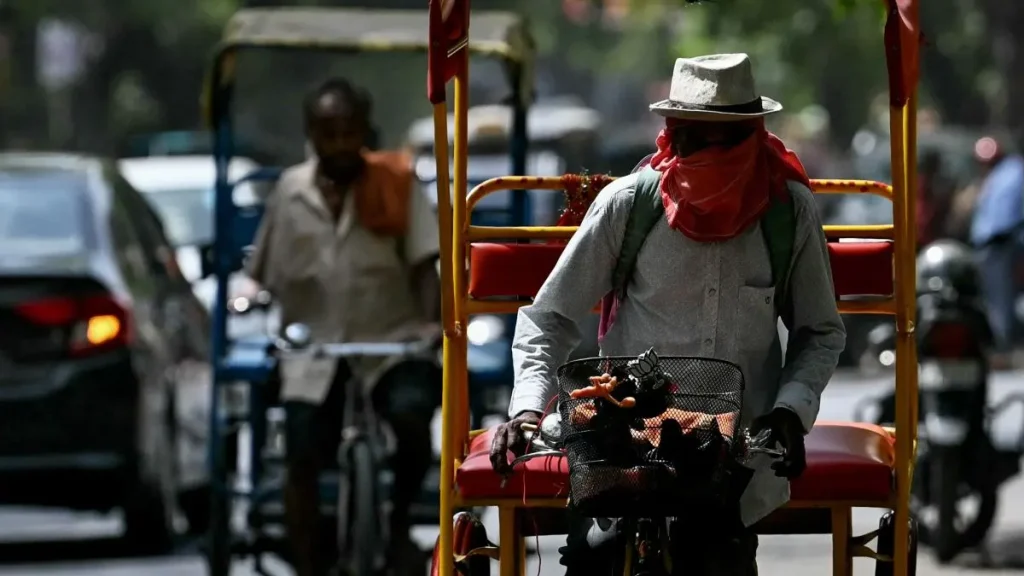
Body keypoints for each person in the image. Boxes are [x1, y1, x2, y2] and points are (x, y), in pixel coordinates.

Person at [489, 54, 846, 574]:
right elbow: (549, 318)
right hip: (624, 445)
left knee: (719, 558)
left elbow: (819, 332)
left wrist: (791, 411)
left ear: (754, 134)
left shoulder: (787, 212)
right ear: (673, 139)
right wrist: (526, 409)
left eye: (727, 140)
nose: (710, 155)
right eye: (696, 138)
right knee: (597, 558)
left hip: (734, 452)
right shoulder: (627, 206)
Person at [246, 78, 441, 576]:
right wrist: (246, 299)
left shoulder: (396, 182)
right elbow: (259, 276)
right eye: (328, 133)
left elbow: (424, 265)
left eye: (348, 132)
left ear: (364, 133)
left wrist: (430, 324)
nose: (338, 144)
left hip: (391, 343)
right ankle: (311, 561)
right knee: (301, 448)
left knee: (413, 423)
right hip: (313, 353)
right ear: (312, 134)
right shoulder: (290, 192)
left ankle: (397, 528)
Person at [969, 135, 1024, 368]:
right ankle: (1000, 345)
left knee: (1001, 300)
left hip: (1004, 244)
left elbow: (1006, 216)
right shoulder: (992, 178)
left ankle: (1004, 348)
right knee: (993, 299)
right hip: (989, 247)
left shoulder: (1013, 172)